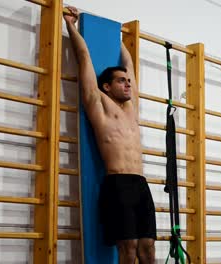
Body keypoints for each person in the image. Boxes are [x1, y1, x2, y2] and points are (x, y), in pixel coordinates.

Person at [63, 6, 156, 264]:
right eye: (121, 81)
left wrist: (118, 37)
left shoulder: (132, 106)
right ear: (106, 86)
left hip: (140, 184)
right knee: (128, 248)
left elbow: (129, 64)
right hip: (117, 185)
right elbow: (84, 57)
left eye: (128, 81)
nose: (128, 84)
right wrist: (70, 25)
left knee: (148, 248)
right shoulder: (99, 104)